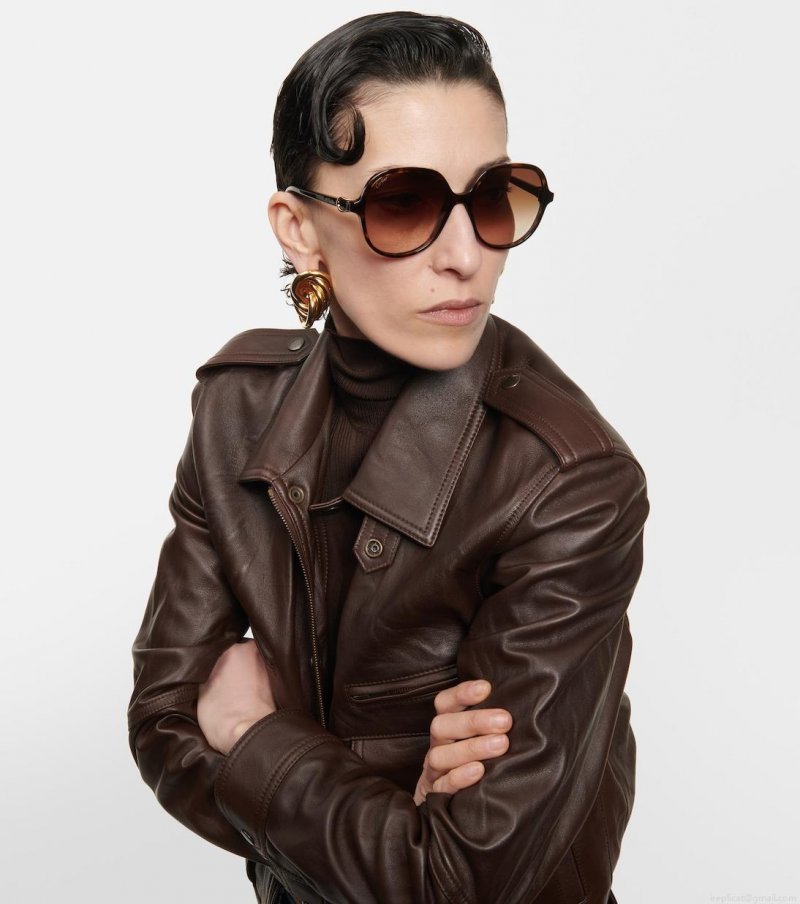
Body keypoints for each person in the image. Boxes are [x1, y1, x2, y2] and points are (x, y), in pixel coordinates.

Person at [127, 12, 648, 904]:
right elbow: (161, 720)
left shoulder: (569, 482)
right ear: (298, 227)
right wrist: (388, 804)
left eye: (493, 198)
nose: (466, 256)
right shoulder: (236, 410)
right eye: (403, 203)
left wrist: (253, 734)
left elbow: (459, 883)